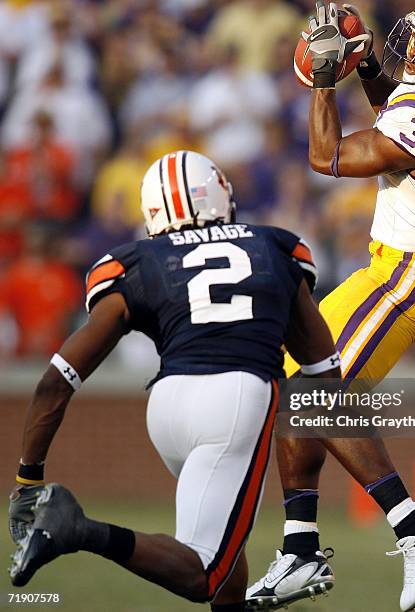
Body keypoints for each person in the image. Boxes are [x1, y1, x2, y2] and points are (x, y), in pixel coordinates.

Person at [7, 150, 341, 612]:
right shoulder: (272, 245)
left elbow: (55, 382)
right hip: (236, 399)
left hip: (166, 407)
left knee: (224, 542)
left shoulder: (138, 259)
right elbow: (324, 373)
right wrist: (310, 519)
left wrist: (29, 478)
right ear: (220, 195)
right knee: (203, 570)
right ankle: (79, 529)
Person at [247, 1, 415, 611]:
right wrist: (362, 63)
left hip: (413, 275)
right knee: (293, 386)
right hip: (390, 266)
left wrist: (324, 81)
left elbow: (327, 156)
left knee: (318, 398)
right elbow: (397, 103)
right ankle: (299, 550)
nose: (413, 54)